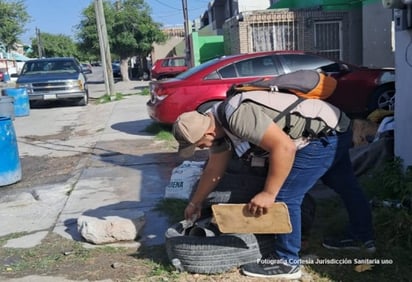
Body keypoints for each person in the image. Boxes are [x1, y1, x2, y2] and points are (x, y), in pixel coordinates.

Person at [172, 90, 375, 280]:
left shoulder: (236, 117)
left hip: (324, 134)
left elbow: (284, 148)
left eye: (199, 145)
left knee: (285, 196)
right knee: (345, 184)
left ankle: (287, 262)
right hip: (335, 126)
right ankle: (362, 238)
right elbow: (213, 170)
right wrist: (195, 202)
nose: (201, 149)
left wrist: (269, 193)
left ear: (207, 134)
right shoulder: (215, 124)